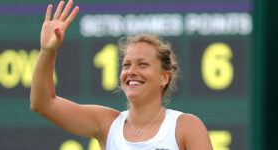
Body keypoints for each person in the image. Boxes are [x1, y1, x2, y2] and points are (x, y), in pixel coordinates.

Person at [30, 0, 213, 149]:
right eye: (126, 65)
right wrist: (47, 51)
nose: (132, 72)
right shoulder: (108, 124)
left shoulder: (186, 126)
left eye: (143, 64)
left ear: (164, 77)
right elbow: (43, 104)